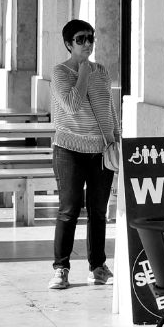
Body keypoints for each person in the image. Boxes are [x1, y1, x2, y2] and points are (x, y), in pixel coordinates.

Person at [48, 18, 119, 290]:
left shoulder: (102, 71)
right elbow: (72, 106)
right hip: (69, 149)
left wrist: (116, 142)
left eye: (90, 38)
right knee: (69, 209)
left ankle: (97, 267)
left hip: (101, 151)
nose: (87, 43)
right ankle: (61, 269)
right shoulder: (61, 73)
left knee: (99, 212)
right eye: (81, 39)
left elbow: (108, 111)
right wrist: (83, 72)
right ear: (69, 44)